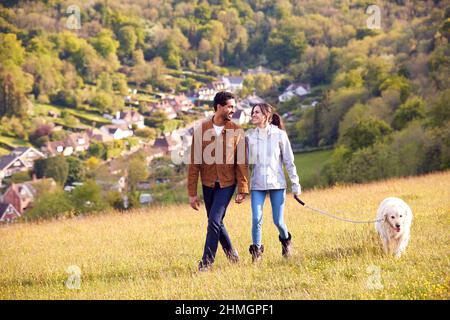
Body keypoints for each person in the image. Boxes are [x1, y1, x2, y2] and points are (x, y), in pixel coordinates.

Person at [188, 91, 249, 271]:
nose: (232, 110)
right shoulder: (201, 131)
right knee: (216, 222)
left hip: (227, 184)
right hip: (208, 184)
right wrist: (192, 193)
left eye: (233, 106)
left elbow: (242, 162)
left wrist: (242, 188)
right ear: (219, 107)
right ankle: (232, 254)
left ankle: (206, 263)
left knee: (214, 221)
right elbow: (194, 164)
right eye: (229, 106)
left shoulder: (236, 131)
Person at [246, 103, 301, 262]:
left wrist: (295, 184)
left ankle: (286, 242)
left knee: (278, 221)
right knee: (256, 218)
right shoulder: (249, 136)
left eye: (257, 112)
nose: (253, 115)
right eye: (253, 112)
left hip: (277, 184)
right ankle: (256, 253)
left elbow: (289, 161)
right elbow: (243, 162)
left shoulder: (280, 135)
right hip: (257, 184)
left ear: (266, 115)